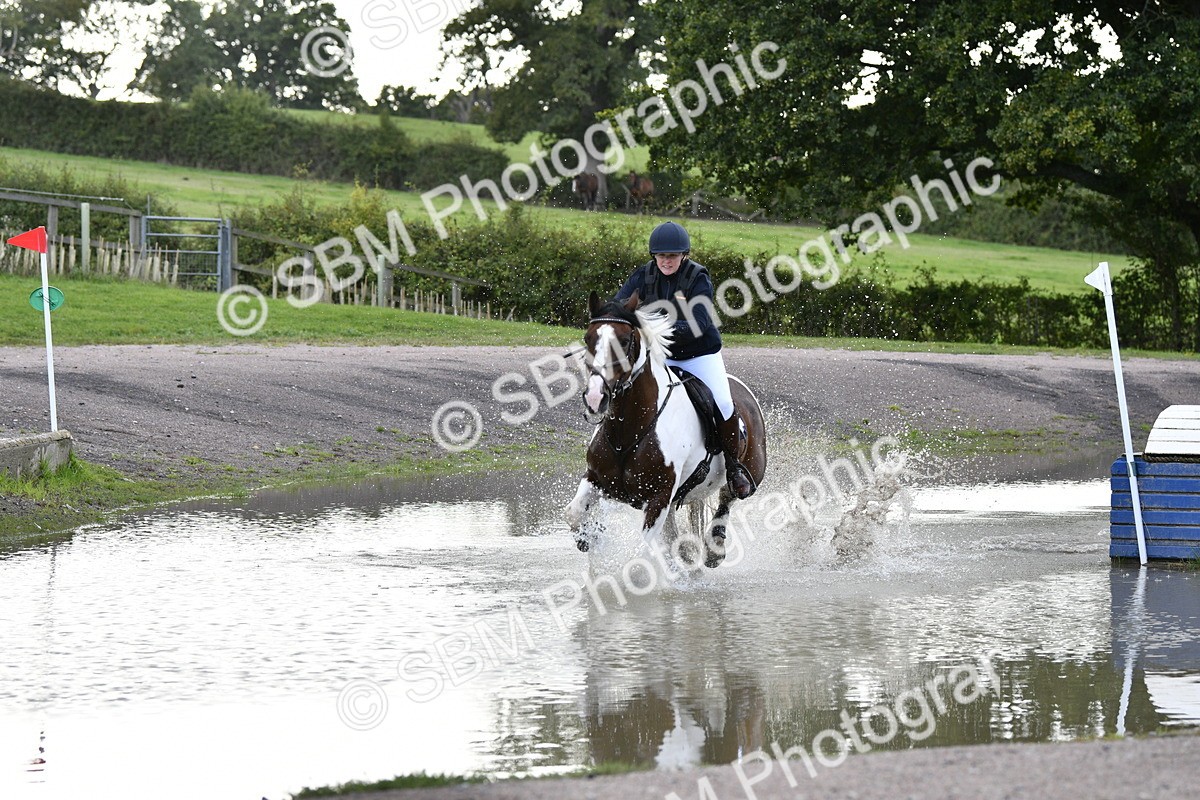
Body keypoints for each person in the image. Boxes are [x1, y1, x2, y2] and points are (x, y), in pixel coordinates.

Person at [615, 221, 756, 499]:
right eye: (662, 256)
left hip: (698, 355)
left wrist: (658, 331)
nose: (667, 261)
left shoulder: (697, 277)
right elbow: (620, 306)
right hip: (663, 356)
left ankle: (733, 466)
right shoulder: (643, 276)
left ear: (684, 255)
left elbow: (700, 322)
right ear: (654, 256)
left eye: (673, 256)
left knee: (724, 403)